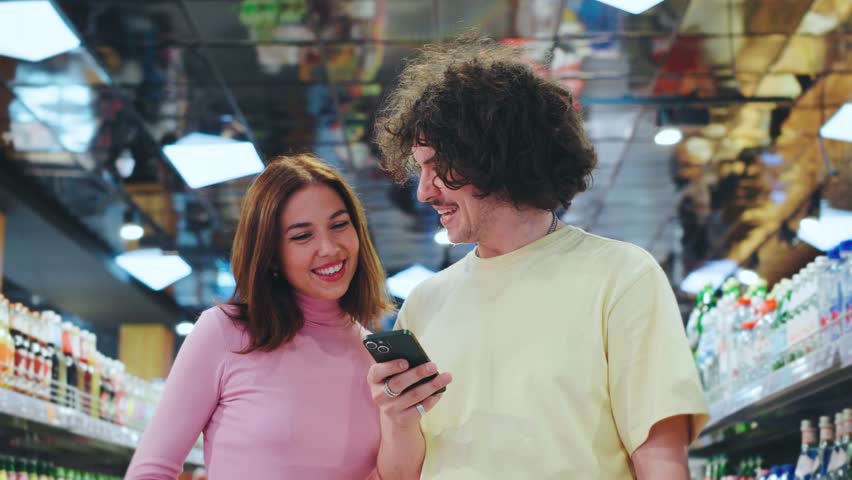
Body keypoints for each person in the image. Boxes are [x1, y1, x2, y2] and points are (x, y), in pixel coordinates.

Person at [367, 36, 709, 479]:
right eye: (420, 169)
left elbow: (660, 459)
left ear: (493, 158)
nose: (424, 191)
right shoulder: (425, 303)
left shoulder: (620, 276)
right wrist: (397, 420)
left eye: (437, 168)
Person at [126, 154, 392, 479]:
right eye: (301, 236)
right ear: (271, 254)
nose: (329, 247)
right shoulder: (225, 332)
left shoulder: (373, 354)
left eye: (339, 225)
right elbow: (151, 471)